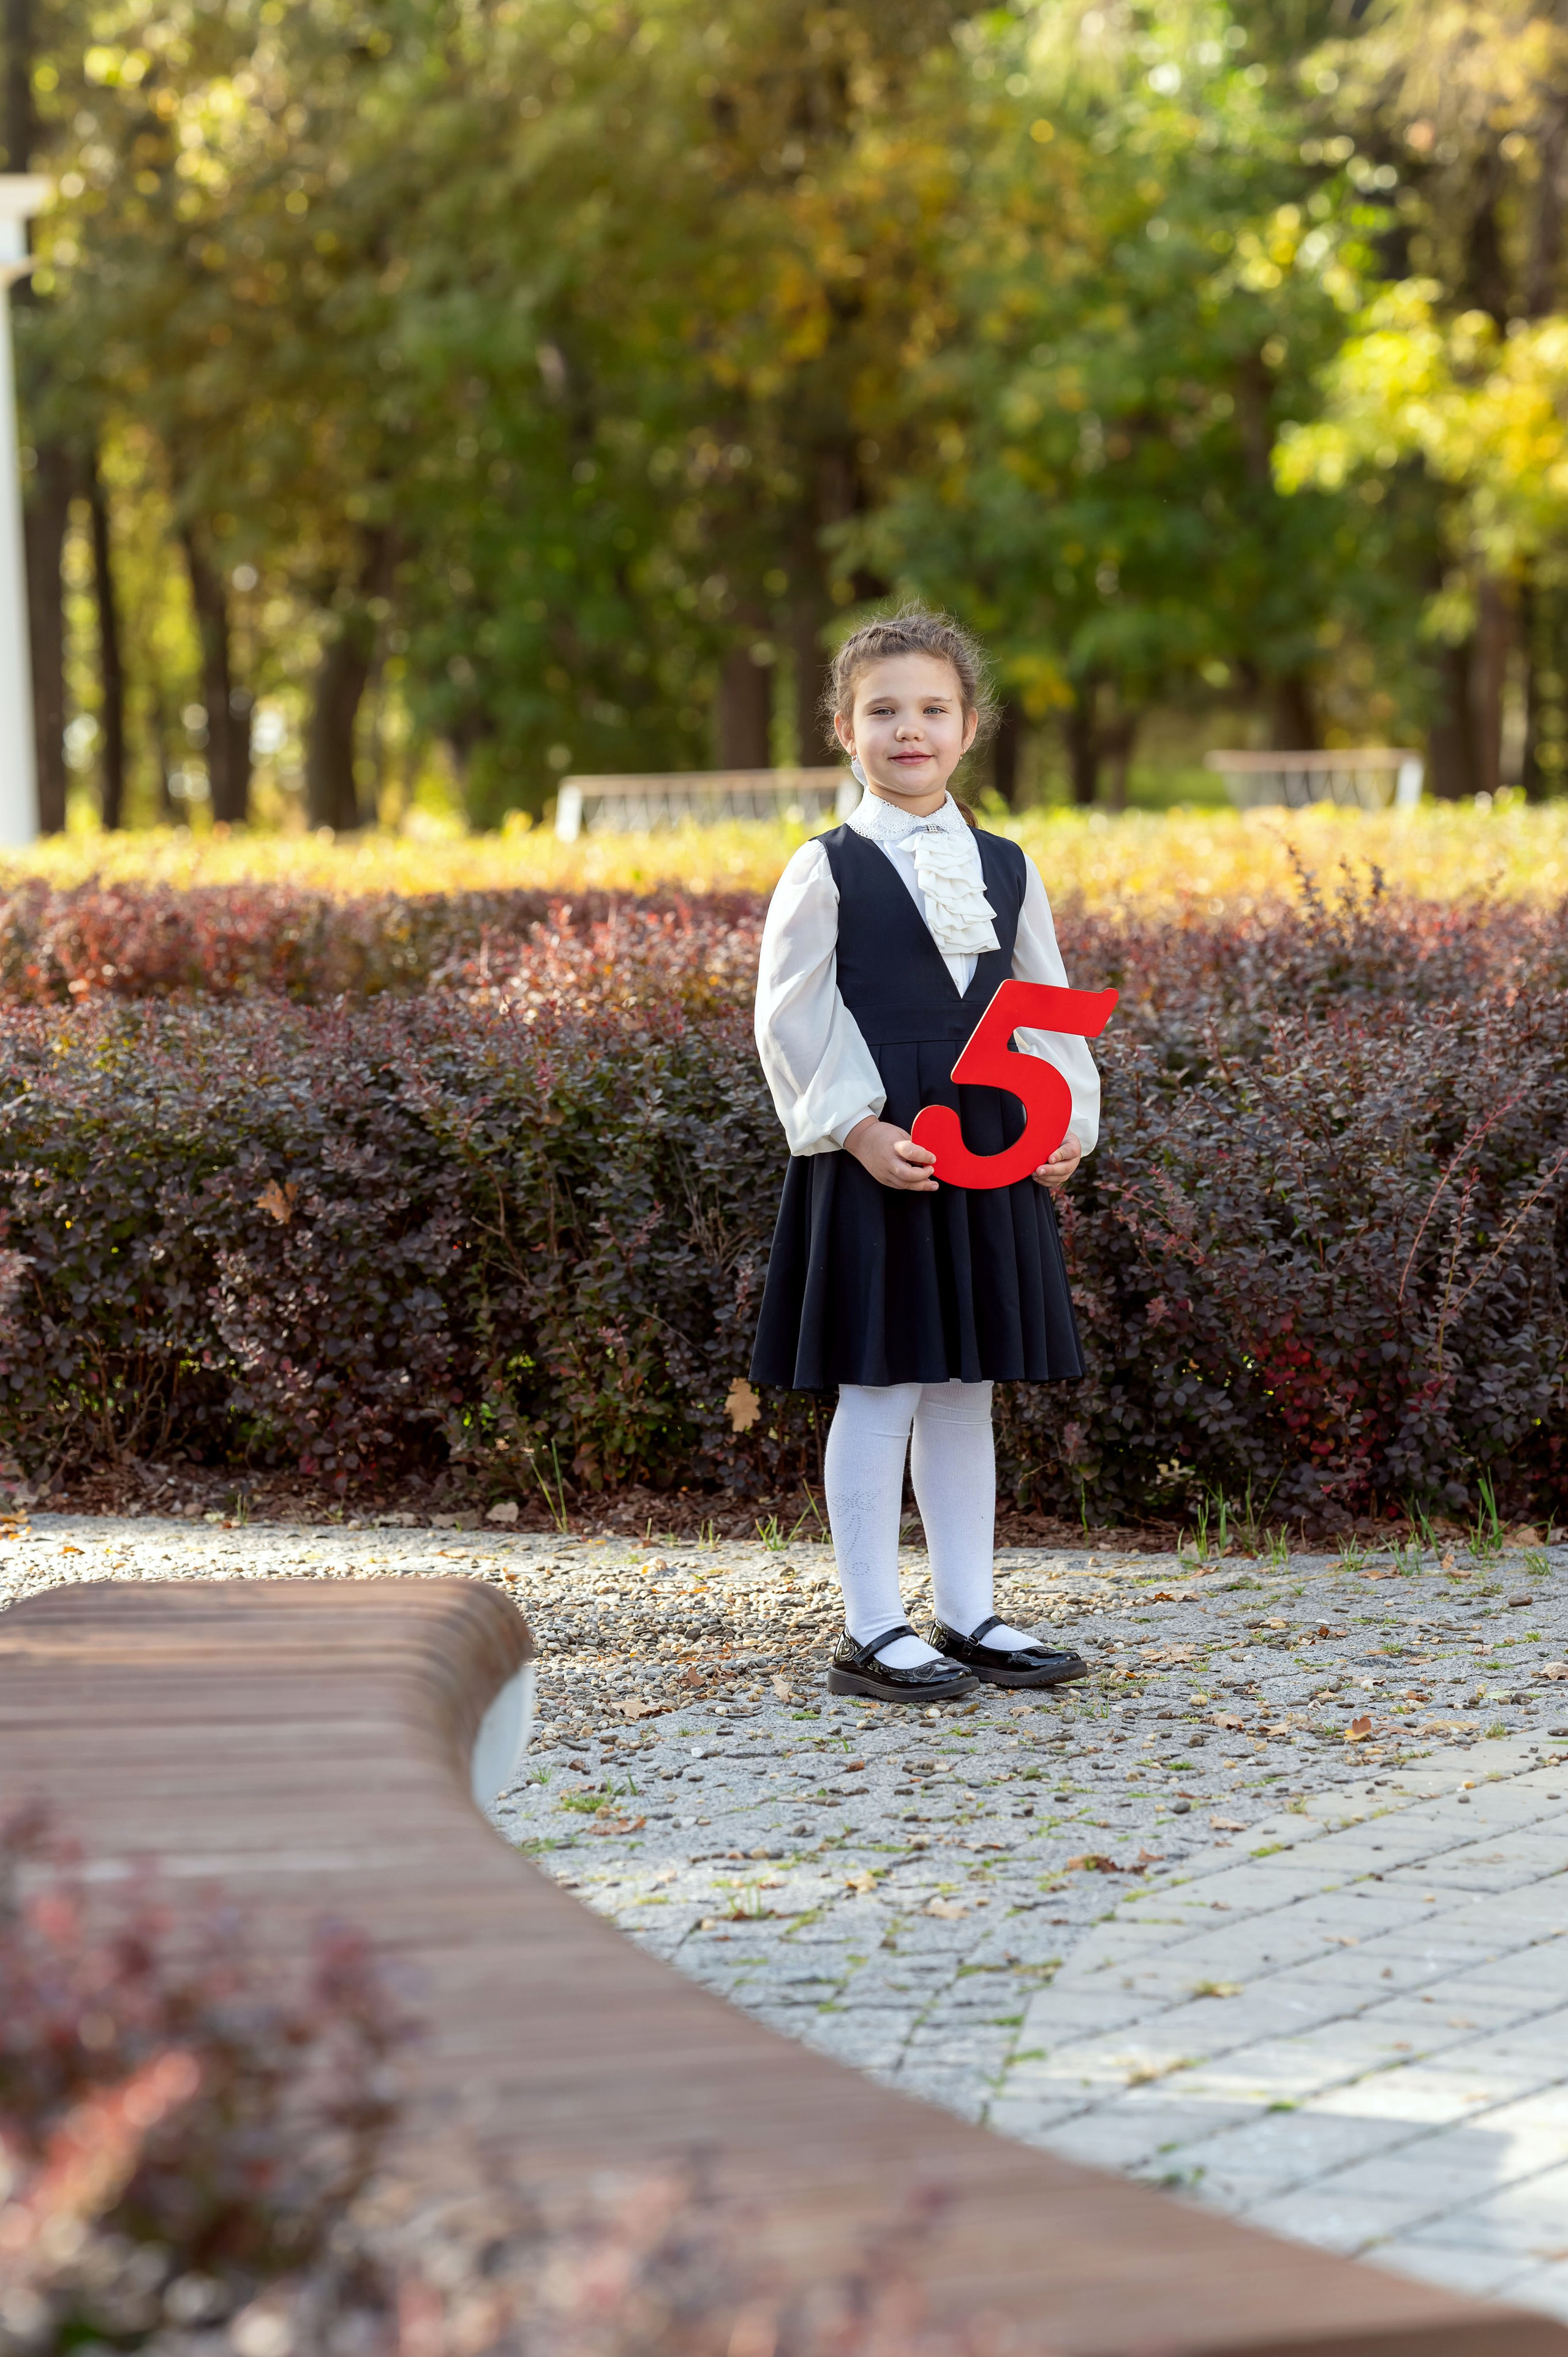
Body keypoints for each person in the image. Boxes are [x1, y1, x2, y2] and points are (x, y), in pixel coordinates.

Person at [749, 607, 1099, 1704]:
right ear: (844, 732)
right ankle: (869, 1626)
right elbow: (790, 1017)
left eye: (933, 709)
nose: (911, 729)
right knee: (884, 1380)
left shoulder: (1005, 865)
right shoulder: (826, 867)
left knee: (963, 1386)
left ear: (970, 725)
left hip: (986, 1140)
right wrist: (854, 1125)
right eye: (884, 711)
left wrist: (1063, 1124)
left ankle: (967, 1611)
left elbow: (1042, 1009)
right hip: (879, 1144)